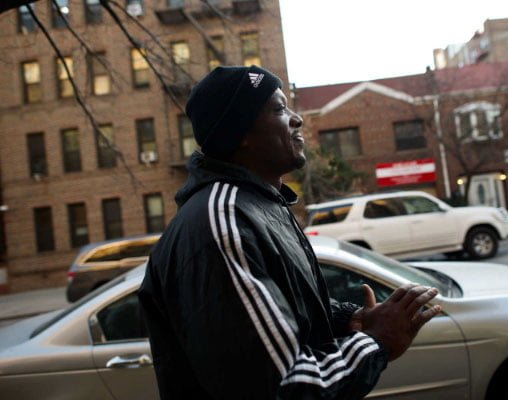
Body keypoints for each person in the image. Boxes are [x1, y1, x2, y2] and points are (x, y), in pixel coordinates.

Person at [138, 65, 441, 400]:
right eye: (280, 109)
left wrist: (347, 318)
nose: (297, 119)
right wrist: (378, 341)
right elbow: (285, 386)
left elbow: (284, 301)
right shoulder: (223, 223)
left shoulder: (257, 204)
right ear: (241, 133)